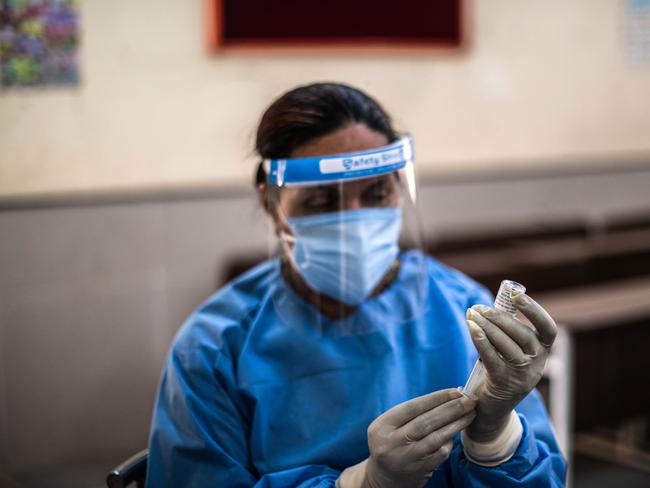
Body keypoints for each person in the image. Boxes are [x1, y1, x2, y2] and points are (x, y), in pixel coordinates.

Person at [146, 82, 567, 487]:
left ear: (399, 190)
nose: (353, 219)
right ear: (270, 202)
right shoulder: (214, 348)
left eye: (377, 193)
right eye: (322, 200)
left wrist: (495, 440)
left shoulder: (466, 312)